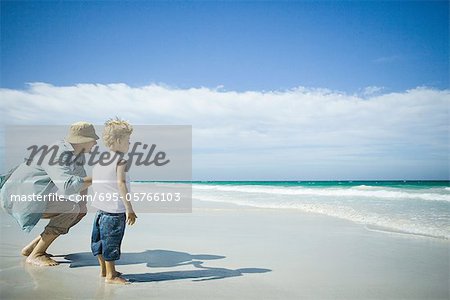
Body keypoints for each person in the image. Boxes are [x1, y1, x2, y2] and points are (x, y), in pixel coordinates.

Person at [0, 122, 99, 266]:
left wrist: (83, 204)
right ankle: (37, 255)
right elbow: (68, 187)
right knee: (71, 209)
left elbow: (80, 177)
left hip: (33, 195)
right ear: (83, 140)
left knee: (77, 210)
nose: (96, 142)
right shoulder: (57, 153)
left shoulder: (76, 154)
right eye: (93, 139)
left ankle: (32, 248)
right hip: (17, 198)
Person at [91, 118, 137, 284]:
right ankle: (111, 276)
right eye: (128, 140)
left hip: (100, 211)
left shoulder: (99, 161)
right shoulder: (121, 161)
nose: (129, 144)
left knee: (99, 241)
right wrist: (129, 208)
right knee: (111, 243)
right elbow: (121, 183)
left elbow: (97, 182)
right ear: (118, 141)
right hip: (114, 212)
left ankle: (104, 270)